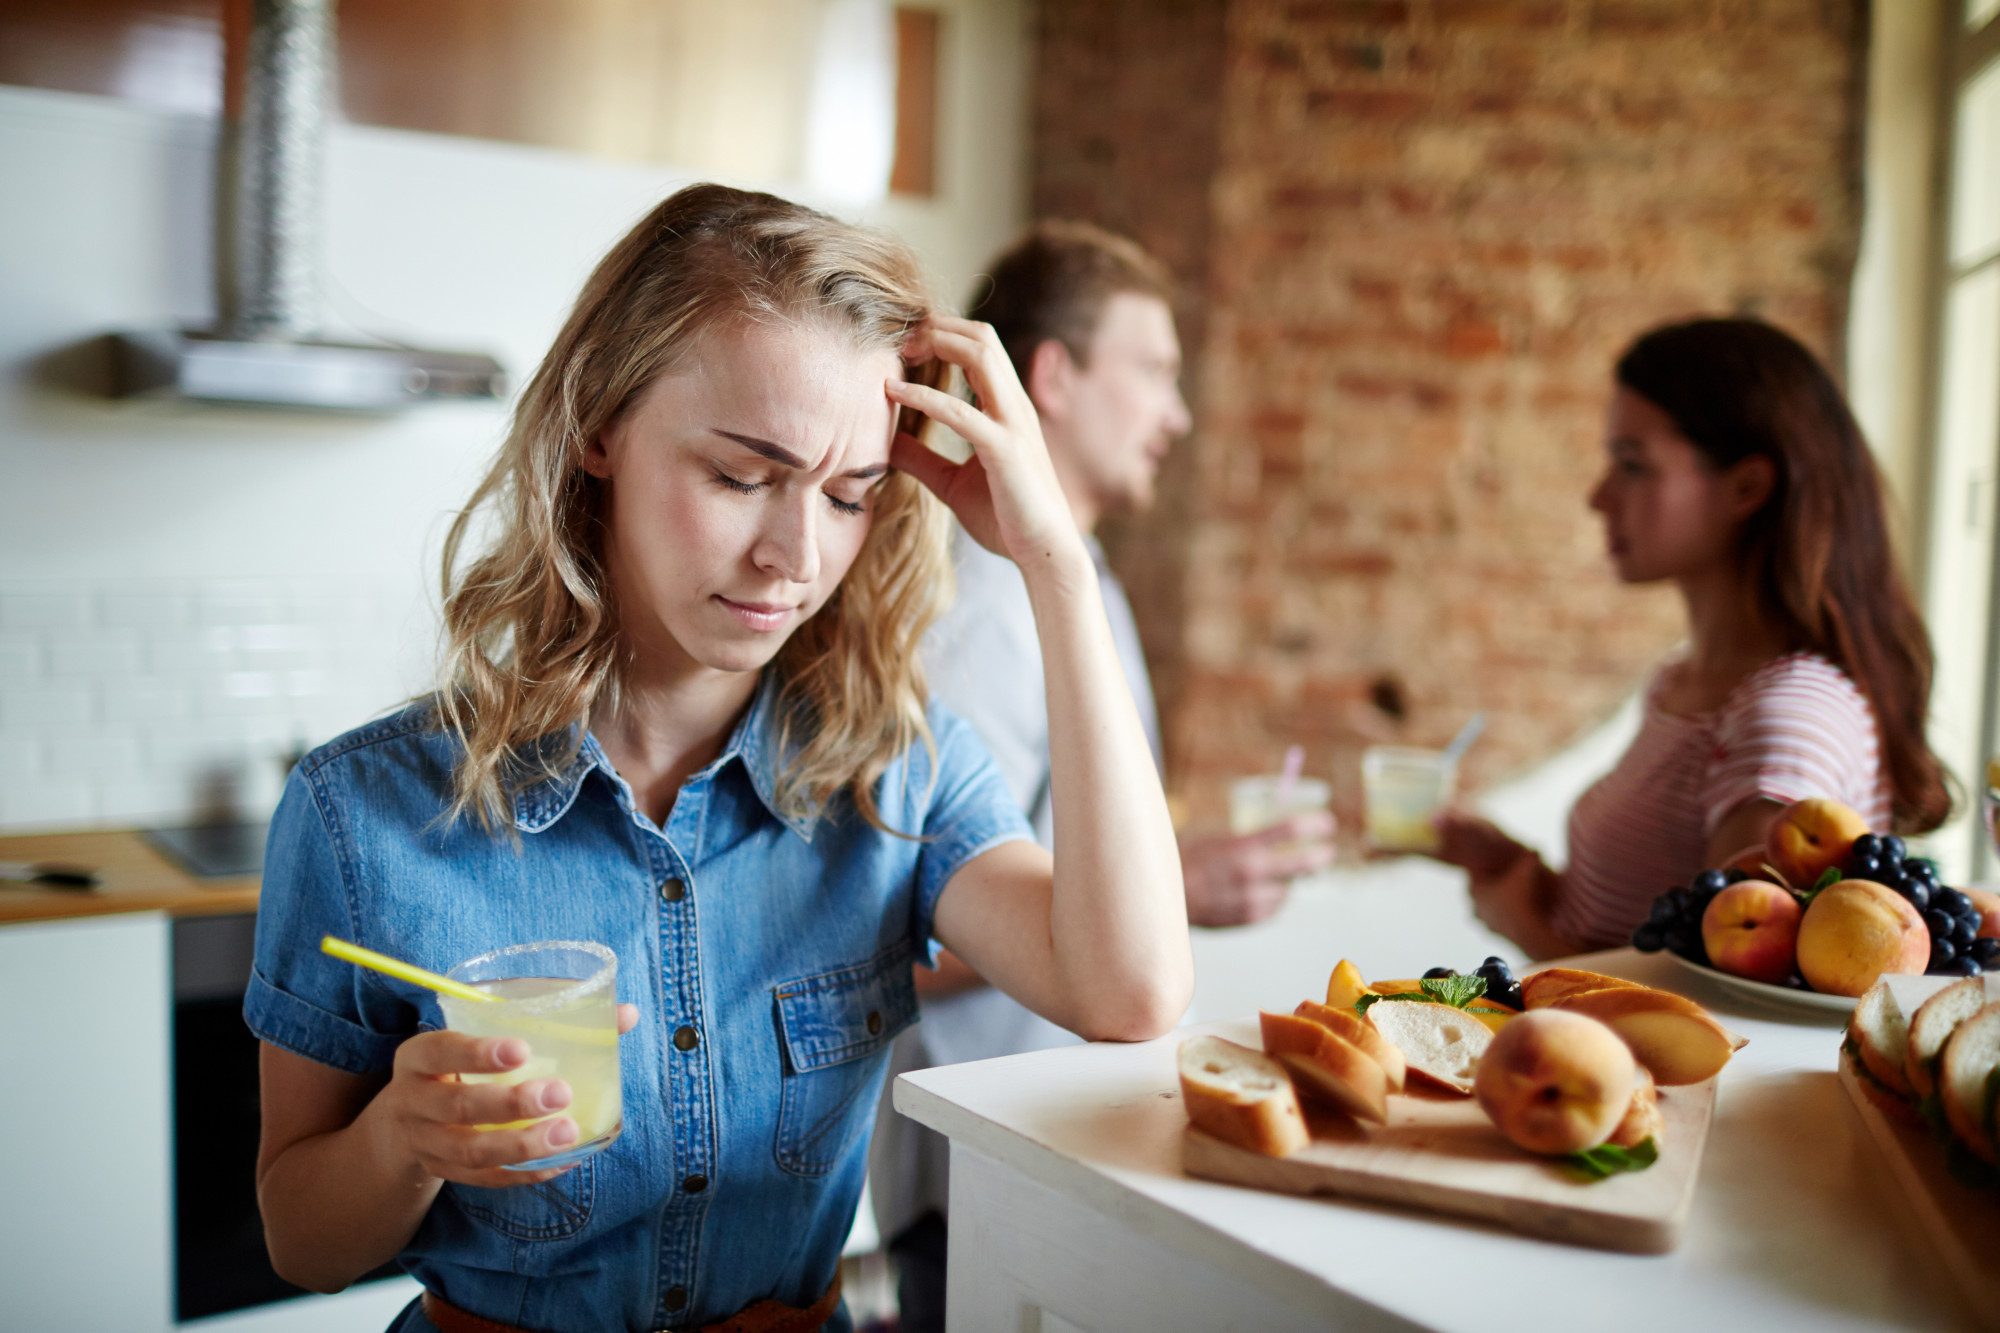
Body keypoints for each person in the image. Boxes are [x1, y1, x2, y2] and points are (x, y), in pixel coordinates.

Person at [243, 185, 1191, 1333]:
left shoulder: (897, 772)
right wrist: (401, 1140)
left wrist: (1055, 562)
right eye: (742, 476)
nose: (794, 555)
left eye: (848, 495)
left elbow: (1127, 992)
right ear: (599, 425)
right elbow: (300, 1239)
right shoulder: (360, 811)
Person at [868, 221, 1336, 1331]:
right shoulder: (978, 620)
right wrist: (1161, 895)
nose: (1177, 414)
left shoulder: (1076, 585)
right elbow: (892, 928)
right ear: (1054, 378)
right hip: (981, 1156)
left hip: (1049, 1133)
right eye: (1156, 373)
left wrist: (1162, 872)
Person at [1431, 317, 1951, 960]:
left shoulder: (1786, 715)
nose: (1598, 496)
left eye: (1633, 465)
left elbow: (1726, 1009)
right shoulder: (1682, 682)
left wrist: (1526, 928)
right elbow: (1646, 919)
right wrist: (1521, 871)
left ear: (1746, 488)